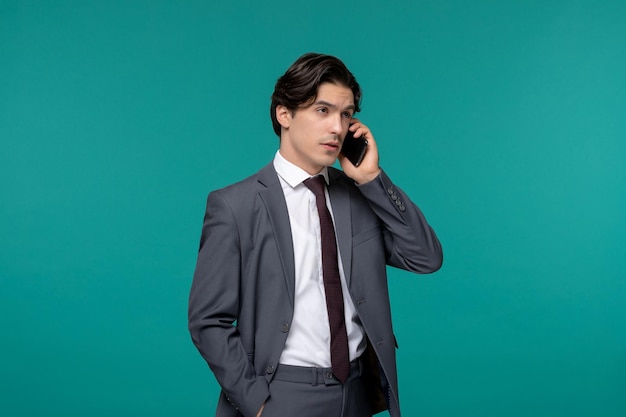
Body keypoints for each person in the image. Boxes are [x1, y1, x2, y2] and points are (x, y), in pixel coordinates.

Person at [188, 52, 443, 417]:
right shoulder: (234, 206)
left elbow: (426, 258)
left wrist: (373, 179)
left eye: (347, 114)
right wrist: (254, 401)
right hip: (282, 395)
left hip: (356, 392)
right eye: (323, 111)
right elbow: (207, 319)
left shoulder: (358, 195)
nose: (338, 128)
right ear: (284, 114)